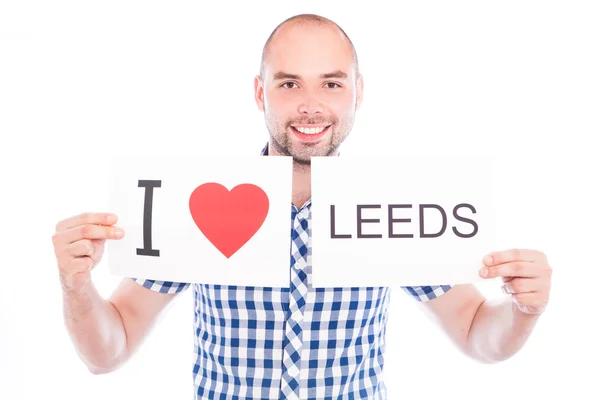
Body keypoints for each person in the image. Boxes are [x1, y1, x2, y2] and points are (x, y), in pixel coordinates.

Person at [51, 13, 553, 400]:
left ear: (358, 92)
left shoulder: (391, 203)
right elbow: (108, 352)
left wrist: (523, 310)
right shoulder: (192, 198)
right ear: (259, 93)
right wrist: (77, 288)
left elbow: (476, 335)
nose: (310, 105)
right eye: (289, 84)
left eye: (331, 83)